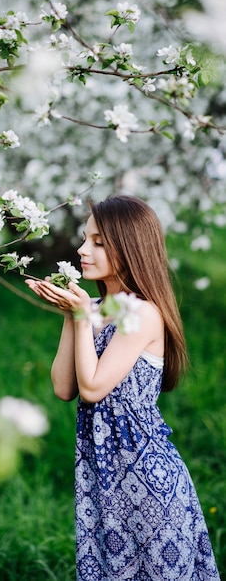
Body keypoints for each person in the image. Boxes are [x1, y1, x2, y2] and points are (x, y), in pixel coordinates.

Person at [25, 195, 220, 581]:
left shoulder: (143, 313)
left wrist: (81, 316)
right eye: (85, 239)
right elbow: (65, 388)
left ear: (130, 248)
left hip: (146, 477)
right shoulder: (95, 310)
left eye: (98, 241)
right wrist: (73, 316)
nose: (82, 250)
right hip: (102, 475)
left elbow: (94, 388)